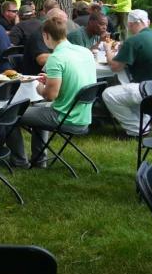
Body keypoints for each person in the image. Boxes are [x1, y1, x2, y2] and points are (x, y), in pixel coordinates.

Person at [7, 14, 97, 168]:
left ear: (45, 35)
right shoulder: (85, 52)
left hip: (65, 116)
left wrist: (39, 87)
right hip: (83, 115)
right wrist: (51, 80)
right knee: (37, 110)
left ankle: (19, 161)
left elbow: (50, 96)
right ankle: (39, 159)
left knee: (9, 113)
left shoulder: (56, 57)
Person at [102, 9, 152, 135]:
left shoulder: (133, 40)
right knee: (127, 83)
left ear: (130, 24)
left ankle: (136, 130)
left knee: (109, 94)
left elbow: (115, 67)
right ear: (148, 22)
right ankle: (144, 122)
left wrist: (107, 49)